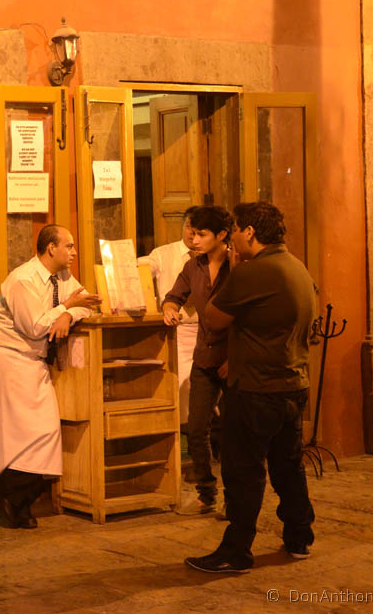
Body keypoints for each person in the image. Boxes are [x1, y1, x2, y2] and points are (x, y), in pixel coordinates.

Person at [185, 201, 317, 574]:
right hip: (293, 384)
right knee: (288, 466)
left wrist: (234, 271)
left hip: (256, 388)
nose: (232, 240)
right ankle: (299, 537)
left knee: (243, 471)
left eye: (236, 231)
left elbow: (212, 319)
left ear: (249, 233)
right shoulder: (297, 266)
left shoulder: (252, 272)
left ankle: (237, 550)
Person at [0, 224, 102, 528]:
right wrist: (67, 306)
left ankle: (11, 493)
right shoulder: (23, 279)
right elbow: (33, 326)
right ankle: (15, 501)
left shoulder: (63, 277)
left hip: (33, 364)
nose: (74, 252)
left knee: (45, 433)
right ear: (51, 248)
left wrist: (68, 314)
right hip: (9, 361)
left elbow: (88, 303)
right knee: (13, 438)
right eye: (69, 246)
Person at [162, 205, 233, 515]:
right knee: (196, 427)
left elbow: (249, 317)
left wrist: (235, 359)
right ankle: (207, 492)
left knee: (233, 431)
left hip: (233, 359)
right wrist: (169, 308)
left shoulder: (238, 265)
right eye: (192, 234)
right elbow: (174, 295)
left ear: (222, 235)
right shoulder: (194, 266)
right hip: (204, 358)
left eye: (202, 235)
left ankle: (235, 497)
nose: (194, 240)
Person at [142, 206, 200, 426]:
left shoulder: (213, 256)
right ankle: (185, 431)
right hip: (177, 331)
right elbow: (141, 269)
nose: (193, 235)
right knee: (183, 385)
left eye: (200, 231)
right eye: (190, 228)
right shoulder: (163, 254)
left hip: (206, 331)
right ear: (184, 226)